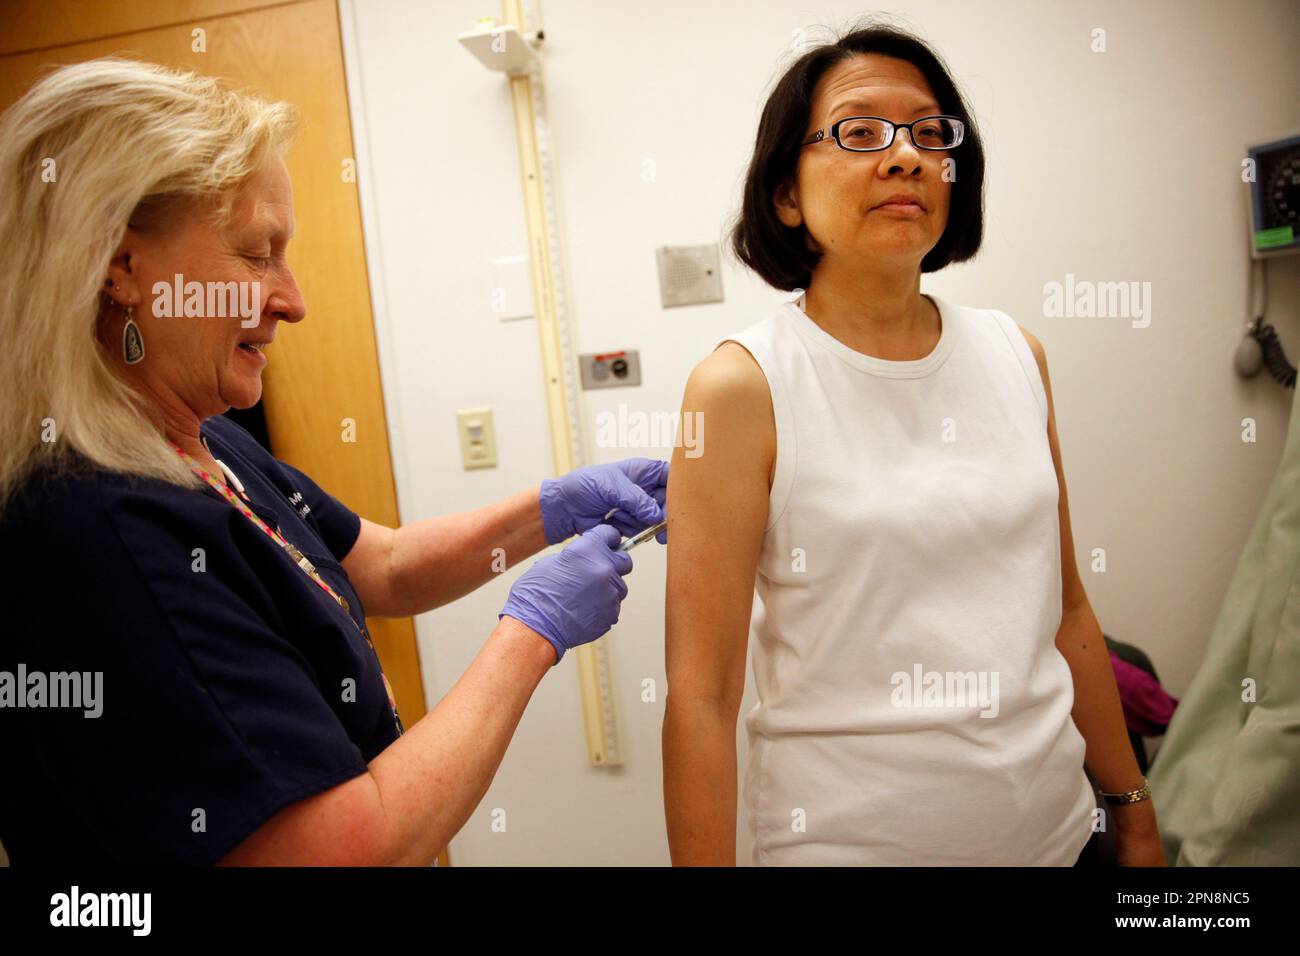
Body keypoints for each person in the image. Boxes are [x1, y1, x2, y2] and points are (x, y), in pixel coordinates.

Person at [0, 57, 666, 866]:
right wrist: (532, 632)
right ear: (122, 266)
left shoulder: (200, 444)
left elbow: (378, 566)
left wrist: (551, 509)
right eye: (256, 254)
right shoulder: (105, 532)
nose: (293, 299)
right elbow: (342, 852)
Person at [661, 23, 1164, 866]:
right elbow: (701, 695)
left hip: (1061, 835)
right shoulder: (742, 387)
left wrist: (1134, 813)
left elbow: (1067, 607)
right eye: (859, 132)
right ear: (787, 193)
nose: (906, 158)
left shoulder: (1016, 353)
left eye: (931, 135)